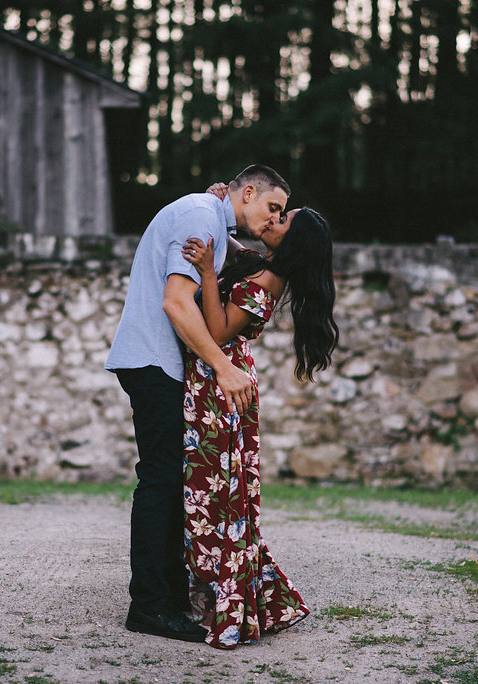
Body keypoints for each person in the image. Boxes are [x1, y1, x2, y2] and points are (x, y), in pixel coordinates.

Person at [105, 164, 292, 643]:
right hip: (154, 361)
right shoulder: (200, 215)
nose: (274, 218)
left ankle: (165, 599)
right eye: (272, 207)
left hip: (159, 362)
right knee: (160, 480)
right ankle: (147, 605)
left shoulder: (210, 216)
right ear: (247, 192)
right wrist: (223, 367)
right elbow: (175, 301)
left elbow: (237, 263)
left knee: (168, 482)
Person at [180, 205, 339, 649]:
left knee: (212, 494)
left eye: (282, 219)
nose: (272, 220)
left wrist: (209, 273)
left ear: (293, 242)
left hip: (221, 390)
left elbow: (216, 329)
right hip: (215, 385)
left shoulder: (269, 281)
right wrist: (220, 205)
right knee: (209, 492)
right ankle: (230, 594)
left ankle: (224, 602)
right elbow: (233, 240)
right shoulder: (264, 265)